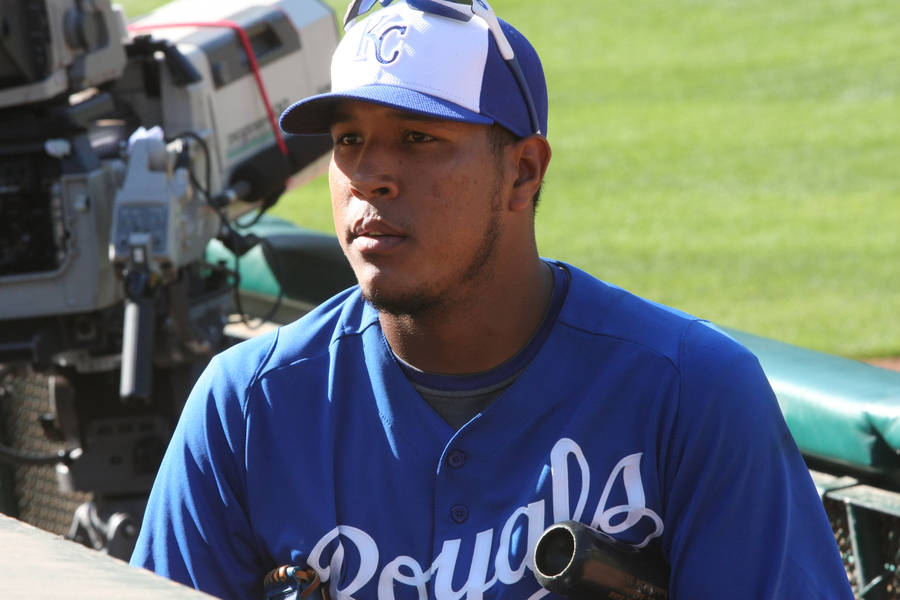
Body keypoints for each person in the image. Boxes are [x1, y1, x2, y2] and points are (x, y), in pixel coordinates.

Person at [130, 1, 854, 598]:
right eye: (349, 139)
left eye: (417, 137)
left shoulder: (692, 394)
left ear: (523, 174)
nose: (370, 176)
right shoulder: (246, 407)